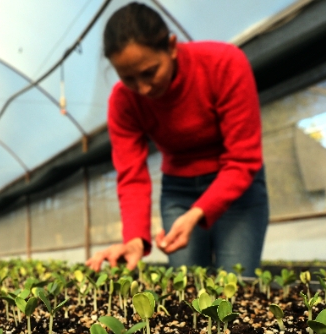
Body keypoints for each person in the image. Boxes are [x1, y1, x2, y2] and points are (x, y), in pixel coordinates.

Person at [85, 2, 269, 277]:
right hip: (178, 191)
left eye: (149, 72)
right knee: (187, 286)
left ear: (171, 46)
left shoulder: (223, 64)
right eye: (128, 78)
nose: (143, 88)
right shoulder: (123, 101)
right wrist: (135, 238)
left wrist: (198, 213)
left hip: (236, 188)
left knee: (236, 281)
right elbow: (131, 176)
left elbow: (244, 158)